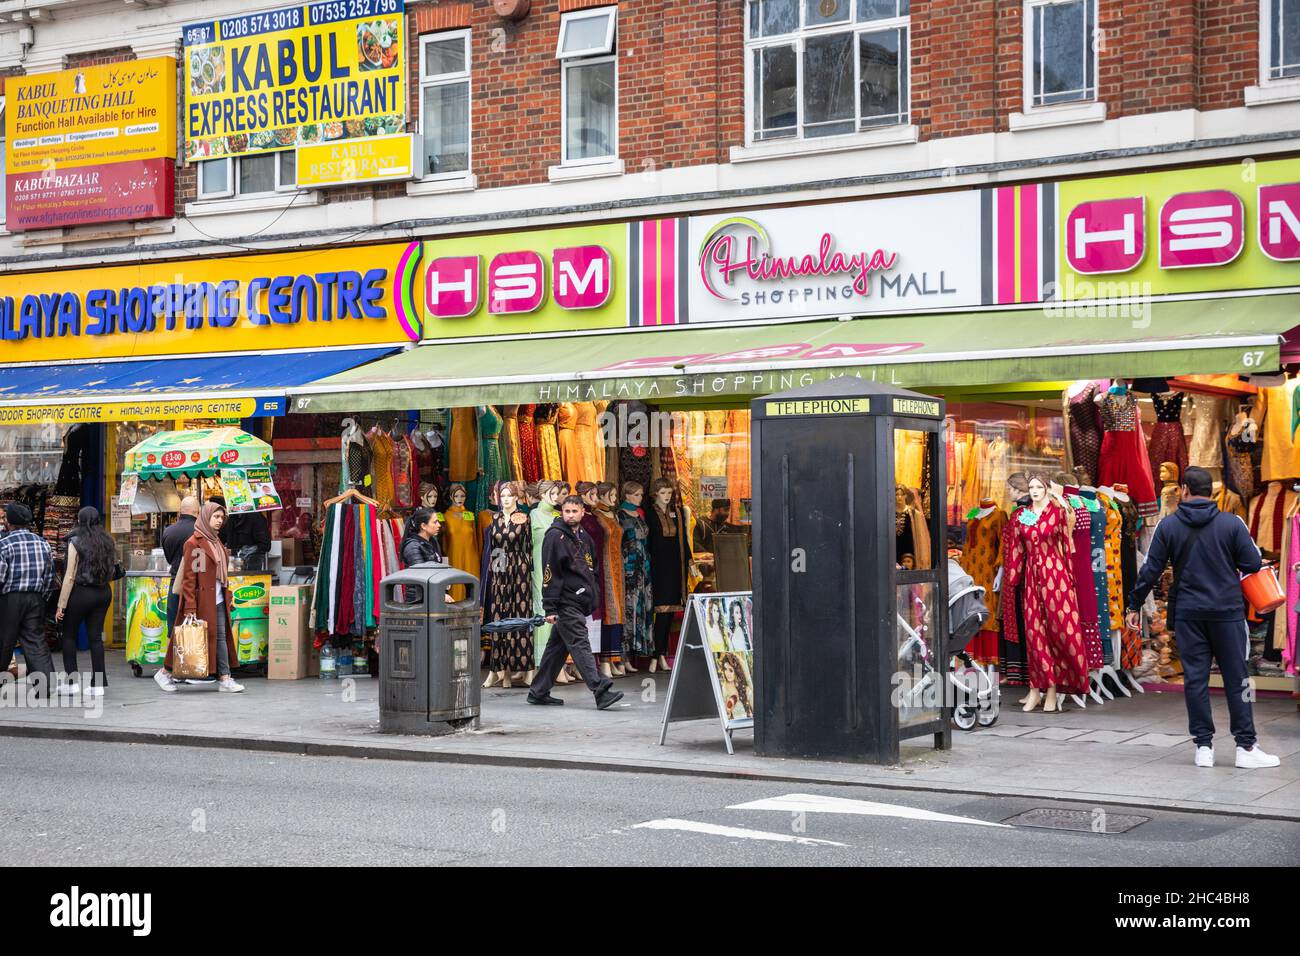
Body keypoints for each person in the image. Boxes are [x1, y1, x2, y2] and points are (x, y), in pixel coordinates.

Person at [1125, 465, 1280, 769]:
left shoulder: (1168, 526)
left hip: (1187, 614)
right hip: (1227, 613)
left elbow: (1150, 571)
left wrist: (1134, 605)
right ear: (1211, 492)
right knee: (1238, 680)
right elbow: (1251, 563)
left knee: (1195, 680)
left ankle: (1203, 747)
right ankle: (1246, 747)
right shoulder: (1232, 523)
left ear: (1184, 490)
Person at [529, 495, 624, 710]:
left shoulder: (584, 536)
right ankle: (600, 690)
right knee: (580, 643)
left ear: (583, 512)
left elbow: (593, 567)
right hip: (564, 601)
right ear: (561, 512)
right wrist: (550, 607)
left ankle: (538, 691)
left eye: (574, 511)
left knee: (557, 648)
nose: (570, 515)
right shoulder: (554, 537)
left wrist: (593, 592)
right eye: (567, 511)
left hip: (580, 600)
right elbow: (549, 572)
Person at [154, 502, 243, 694]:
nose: (219, 521)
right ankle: (165, 672)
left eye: (221, 518)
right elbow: (190, 579)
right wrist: (190, 607)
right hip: (201, 600)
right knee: (187, 640)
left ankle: (225, 678)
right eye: (216, 517)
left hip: (217, 599)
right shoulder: (194, 543)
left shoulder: (216, 542)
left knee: (220, 638)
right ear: (205, 517)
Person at [55, 507, 116, 695]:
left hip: (81, 593)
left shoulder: (75, 540)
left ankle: (72, 683)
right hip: (103, 592)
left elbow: (70, 575)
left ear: (79, 520)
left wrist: (61, 604)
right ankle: (98, 685)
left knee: (69, 635)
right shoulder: (107, 540)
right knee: (96, 638)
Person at [0, 502, 55, 695]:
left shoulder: (4, 544)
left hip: (10, 599)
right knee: (35, 641)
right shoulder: (42, 543)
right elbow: (49, 576)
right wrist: (43, 598)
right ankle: (45, 686)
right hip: (35, 598)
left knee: (4, 641)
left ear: (10, 523)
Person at [162, 496, 200, 643]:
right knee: (194, 623)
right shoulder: (200, 531)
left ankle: (171, 662)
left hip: (175, 582)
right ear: (197, 512)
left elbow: (168, 558)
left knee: (173, 624)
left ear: (180, 511)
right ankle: (191, 659)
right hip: (196, 583)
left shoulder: (168, 531)